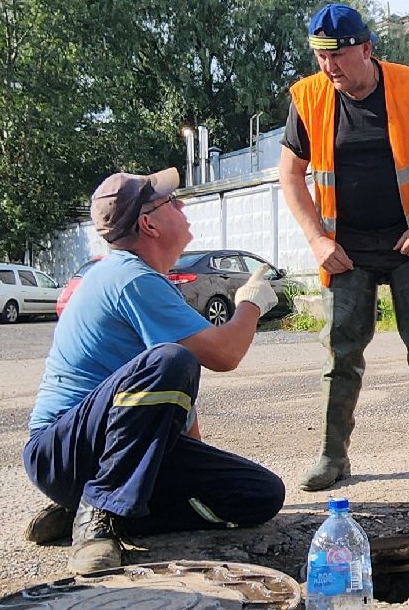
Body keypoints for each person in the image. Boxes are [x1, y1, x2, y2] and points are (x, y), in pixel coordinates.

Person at [23, 168, 285, 575]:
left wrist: (200, 461)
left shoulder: (145, 279)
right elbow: (224, 354)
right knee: (172, 360)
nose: (182, 205)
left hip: (105, 453)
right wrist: (250, 304)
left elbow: (172, 402)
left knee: (260, 494)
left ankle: (97, 508)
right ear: (148, 224)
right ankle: (97, 518)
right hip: (62, 451)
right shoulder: (129, 277)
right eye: (171, 202)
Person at [278, 3, 409, 492]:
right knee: (340, 355)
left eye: (338, 56)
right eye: (321, 57)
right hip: (346, 251)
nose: (329, 67)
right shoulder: (308, 98)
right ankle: (332, 456)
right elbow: (290, 175)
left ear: (366, 48)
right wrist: (317, 240)